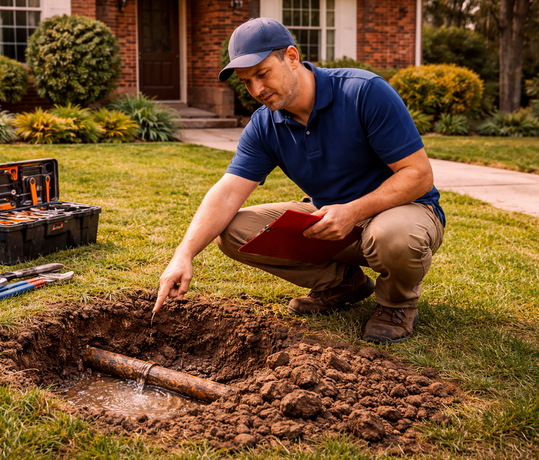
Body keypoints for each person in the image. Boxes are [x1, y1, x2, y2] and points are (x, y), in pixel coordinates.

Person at [154, 18, 445, 344]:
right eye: (247, 81)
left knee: (392, 235)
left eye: (262, 74)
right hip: (332, 223)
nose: (257, 90)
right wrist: (184, 254)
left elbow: (418, 175)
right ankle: (341, 284)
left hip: (404, 211)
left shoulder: (363, 92)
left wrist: (352, 210)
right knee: (232, 233)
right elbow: (227, 192)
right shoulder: (265, 125)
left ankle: (396, 304)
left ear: (292, 57)